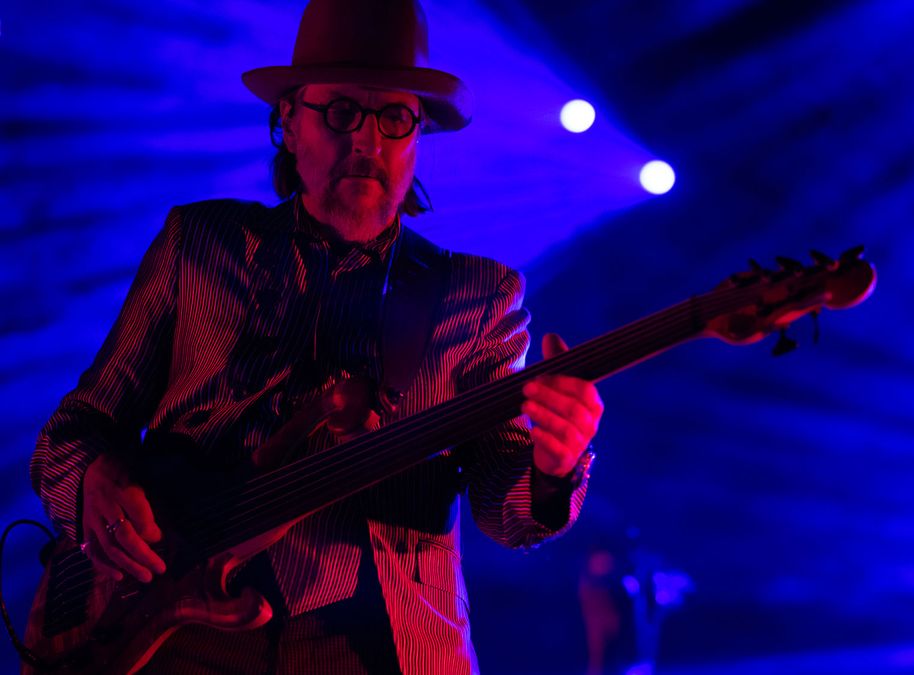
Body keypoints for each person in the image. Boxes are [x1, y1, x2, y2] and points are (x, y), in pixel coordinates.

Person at [28, 0, 602, 672]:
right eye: (340, 112)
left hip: (380, 647)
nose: (367, 140)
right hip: (169, 639)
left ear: (417, 138)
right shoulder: (200, 245)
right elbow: (74, 431)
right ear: (289, 123)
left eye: (394, 117)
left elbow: (505, 514)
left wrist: (555, 466)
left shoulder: (478, 295)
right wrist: (95, 480)